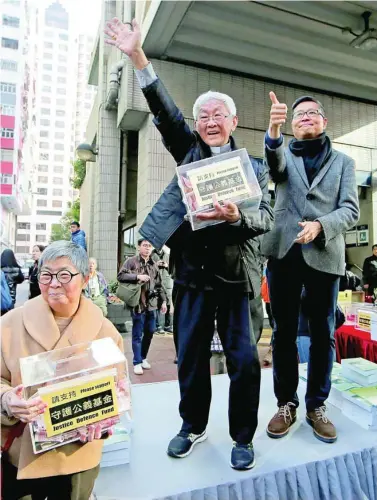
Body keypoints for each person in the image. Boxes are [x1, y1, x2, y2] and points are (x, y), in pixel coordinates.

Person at [105, 18, 273, 470]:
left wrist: (238, 215)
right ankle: (192, 426)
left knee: (243, 361)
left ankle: (243, 436)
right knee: (192, 360)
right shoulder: (188, 151)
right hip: (193, 278)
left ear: (234, 122)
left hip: (238, 281)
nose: (211, 121)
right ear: (196, 126)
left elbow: (267, 218)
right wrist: (138, 56)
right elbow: (162, 111)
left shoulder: (253, 168)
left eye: (219, 115)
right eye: (204, 116)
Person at [262, 92, 359, 444]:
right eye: (298, 114)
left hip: (324, 253)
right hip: (284, 253)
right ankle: (286, 403)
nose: (305, 117)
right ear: (291, 123)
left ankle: (316, 404)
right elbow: (273, 166)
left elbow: (350, 209)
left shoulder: (345, 163)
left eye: (312, 113)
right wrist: (273, 130)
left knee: (323, 333)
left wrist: (321, 226)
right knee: (284, 332)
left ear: (324, 121)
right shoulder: (284, 154)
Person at [1, 241, 127, 499]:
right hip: (19, 456)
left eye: (64, 274)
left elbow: (116, 391)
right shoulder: (9, 324)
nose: (54, 283)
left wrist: (103, 421)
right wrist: (6, 399)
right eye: (46, 275)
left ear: (86, 277)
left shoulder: (106, 333)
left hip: (78, 457)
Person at [118, 239, 167, 376]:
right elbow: (120, 276)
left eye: (149, 246)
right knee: (137, 334)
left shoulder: (153, 264)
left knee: (150, 331)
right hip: (138, 304)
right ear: (139, 247)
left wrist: (163, 301)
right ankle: (137, 362)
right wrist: (137, 276)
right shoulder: (131, 261)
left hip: (152, 304)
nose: (147, 248)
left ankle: (143, 357)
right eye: (145, 245)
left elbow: (159, 285)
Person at [152, 247, 174, 334]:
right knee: (157, 303)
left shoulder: (167, 256)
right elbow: (149, 268)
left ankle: (167, 326)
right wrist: (155, 265)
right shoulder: (151, 256)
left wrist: (167, 266)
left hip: (167, 282)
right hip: (156, 282)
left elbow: (173, 270)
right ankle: (157, 326)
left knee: (168, 303)